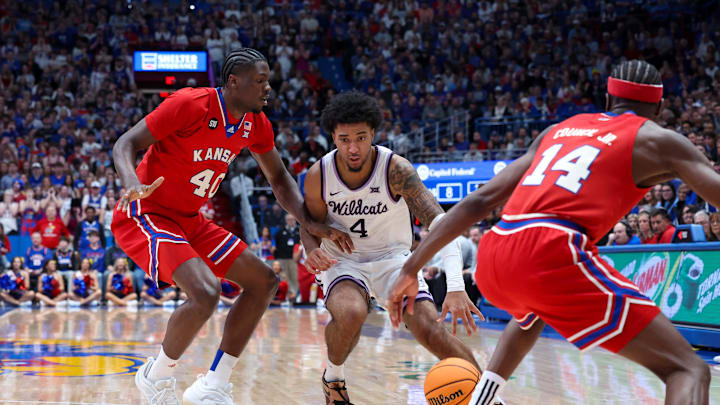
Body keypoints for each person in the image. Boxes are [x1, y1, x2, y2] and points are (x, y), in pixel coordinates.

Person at [389, 60, 712, 405]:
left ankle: (483, 398)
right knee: (688, 369)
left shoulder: (559, 130)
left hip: (497, 251)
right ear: (660, 108)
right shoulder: (659, 140)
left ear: (607, 100)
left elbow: (479, 201)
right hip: (553, 248)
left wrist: (410, 268)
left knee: (534, 310)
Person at [110, 48, 350, 405]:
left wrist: (310, 222)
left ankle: (214, 382)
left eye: (268, 81)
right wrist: (131, 182)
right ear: (233, 82)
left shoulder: (256, 123)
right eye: (260, 81)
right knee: (206, 292)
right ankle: (156, 375)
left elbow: (280, 179)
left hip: (190, 220)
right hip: (147, 213)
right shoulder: (190, 104)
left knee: (264, 282)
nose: (268, 88)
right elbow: (124, 143)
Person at [300, 91, 490, 405]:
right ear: (332, 136)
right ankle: (333, 378)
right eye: (344, 138)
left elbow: (443, 223)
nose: (353, 147)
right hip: (343, 260)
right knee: (350, 313)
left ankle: (487, 395)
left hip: (395, 261)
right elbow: (307, 221)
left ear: (373, 133)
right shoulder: (319, 175)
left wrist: (456, 286)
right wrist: (310, 249)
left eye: (361, 137)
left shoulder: (396, 170)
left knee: (430, 328)